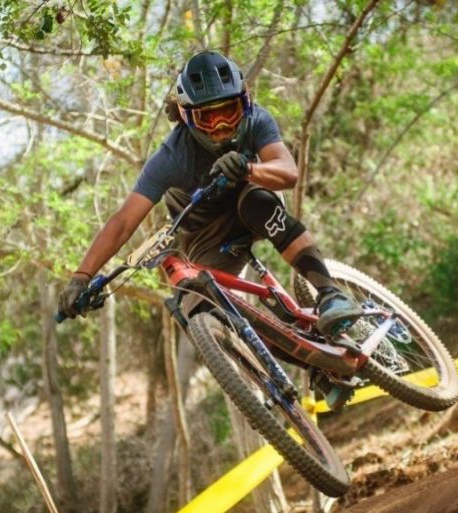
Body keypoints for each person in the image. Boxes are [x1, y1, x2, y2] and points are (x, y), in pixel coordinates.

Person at [58, 51, 362, 335]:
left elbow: (288, 172)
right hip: (206, 235)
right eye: (207, 117)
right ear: (186, 115)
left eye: (229, 111)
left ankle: (330, 292)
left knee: (257, 202)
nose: (221, 125)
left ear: (243, 103)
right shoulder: (172, 157)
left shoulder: (255, 120)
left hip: (253, 202)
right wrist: (81, 277)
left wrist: (249, 170)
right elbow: (123, 222)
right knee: (205, 313)